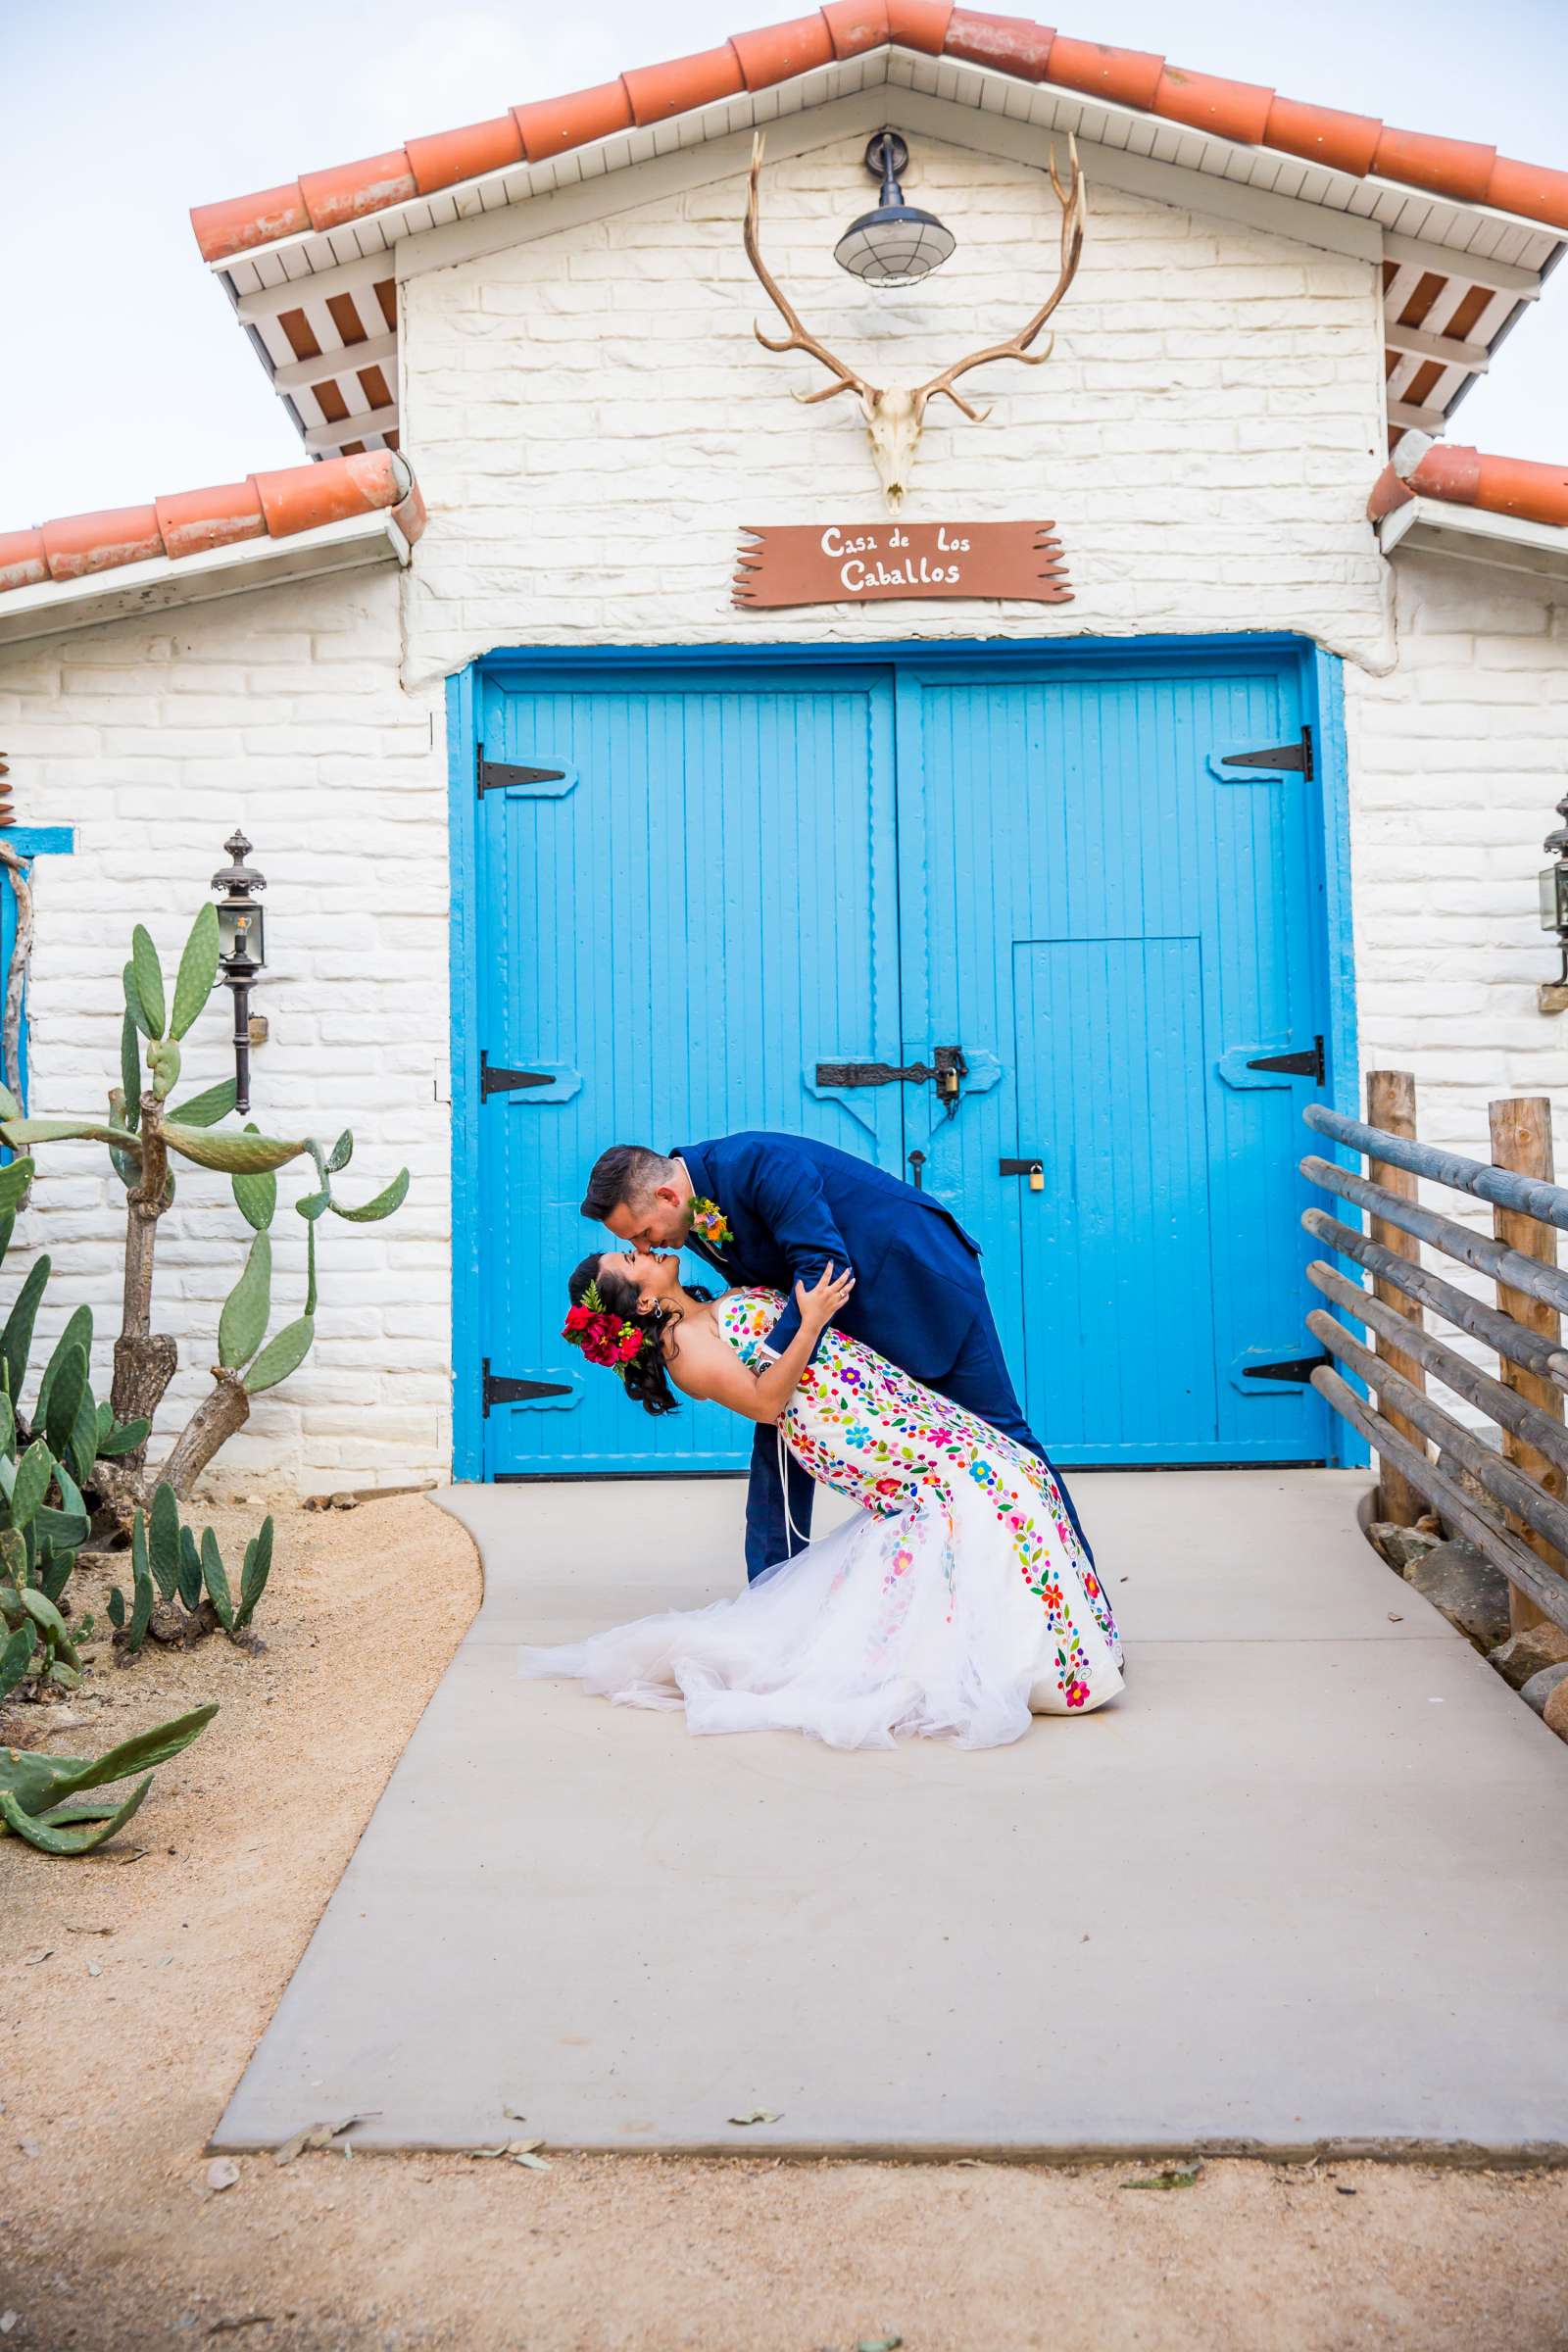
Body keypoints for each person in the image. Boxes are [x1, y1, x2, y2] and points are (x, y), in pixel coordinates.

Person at [517, 1250, 1122, 1751]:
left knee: (1005, 1468)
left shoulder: (706, 1305)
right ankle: (1041, 1666)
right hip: (841, 1420)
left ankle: (1055, 1646)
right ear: (644, 1302)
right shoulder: (683, 1347)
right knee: (983, 1480)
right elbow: (764, 1404)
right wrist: (809, 1321)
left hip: (872, 1394)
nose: (644, 1250)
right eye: (632, 1259)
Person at [579, 1134, 1094, 1584]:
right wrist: (765, 1372)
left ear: (667, 1194)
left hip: (918, 1287)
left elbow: (821, 1262)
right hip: (834, 1323)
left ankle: (1079, 1591)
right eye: (635, 1245)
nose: (649, 1247)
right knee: (778, 1438)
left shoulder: (759, 1163)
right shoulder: (687, 1212)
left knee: (1007, 1438)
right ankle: (773, 1595)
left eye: (643, 1234)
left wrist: (766, 1361)